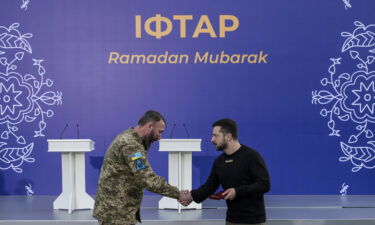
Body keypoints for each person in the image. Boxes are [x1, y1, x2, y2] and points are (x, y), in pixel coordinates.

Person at [93, 110, 191, 225]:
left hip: (116, 209)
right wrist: (177, 193)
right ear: (150, 126)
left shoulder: (128, 138)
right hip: (116, 213)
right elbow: (146, 178)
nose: (160, 137)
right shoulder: (131, 145)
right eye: (159, 132)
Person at [182, 118, 271, 225]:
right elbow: (209, 187)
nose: (212, 139)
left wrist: (237, 191)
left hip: (254, 221)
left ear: (228, 137)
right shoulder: (219, 162)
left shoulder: (251, 156)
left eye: (215, 135)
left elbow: (264, 184)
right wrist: (191, 195)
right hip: (231, 220)